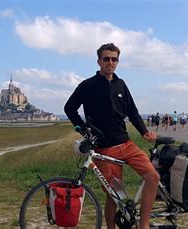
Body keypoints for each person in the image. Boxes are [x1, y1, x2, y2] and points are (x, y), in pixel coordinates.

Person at [64, 43, 158, 229]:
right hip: (104, 149)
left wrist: (145, 132)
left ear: (118, 61)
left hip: (126, 144)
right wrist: (83, 129)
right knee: (113, 195)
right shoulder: (88, 85)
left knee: (153, 178)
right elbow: (69, 108)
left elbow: (132, 112)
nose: (110, 62)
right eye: (106, 59)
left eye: (114, 59)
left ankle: (144, 225)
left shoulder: (120, 84)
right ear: (99, 61)